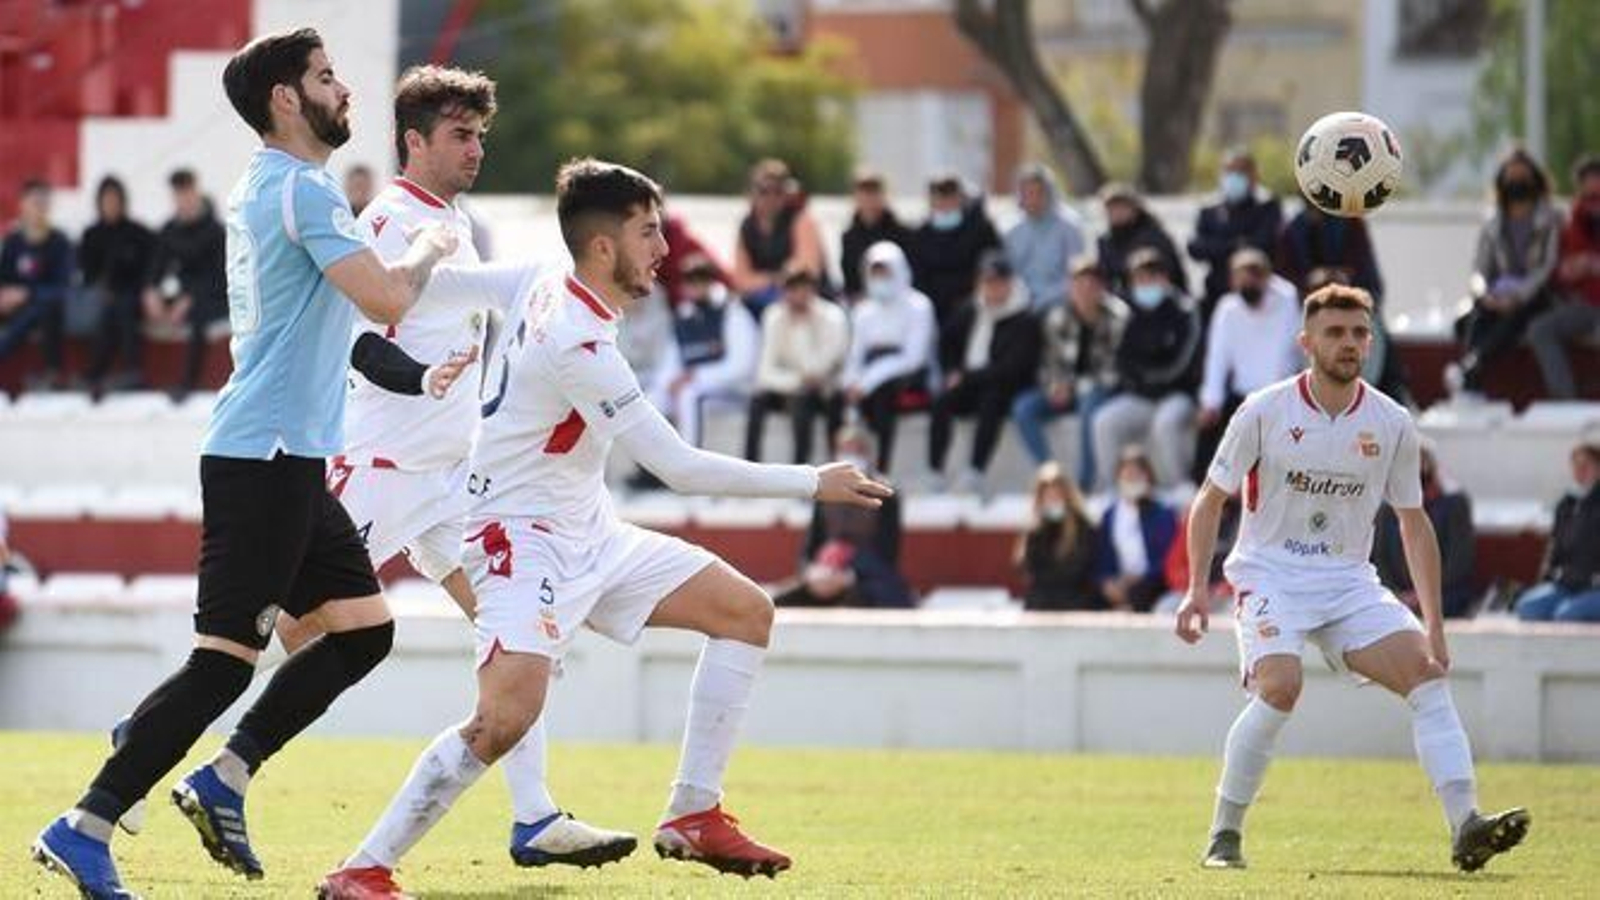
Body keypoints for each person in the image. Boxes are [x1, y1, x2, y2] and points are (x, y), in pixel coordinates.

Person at [317, 158, 891, 896]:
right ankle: (362, 868)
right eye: (648, 232)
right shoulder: (577, 344)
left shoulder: (541, 276)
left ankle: (693, 812)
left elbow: (436, 288)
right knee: (500, 723)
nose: (664, 250)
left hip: (589, 530)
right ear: (601, 246)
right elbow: (678, 467)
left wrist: (407, 268)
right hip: (519, 541)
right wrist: (813, 481)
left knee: (745, 611)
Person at [31, 29, 461, 898]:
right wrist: (428, 247)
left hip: (286, 457)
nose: (345, 90)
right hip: (264, 457)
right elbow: (384, 297)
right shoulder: (303, 189)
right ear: (285, 99)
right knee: (225, 661)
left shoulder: (269, 185)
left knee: (364, 630)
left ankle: (221, 775)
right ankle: (87, 822)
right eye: (327, 78)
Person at [293, 66, 633, 892]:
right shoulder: (386, 221)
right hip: (380, 466)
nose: (476, 149)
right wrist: (422, 382)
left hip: (451, 480)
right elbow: (355, 341)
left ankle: (535, 816)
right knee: (289, 634)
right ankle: (160, 748)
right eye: (460, 135)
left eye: (480, 134)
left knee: (516, 636)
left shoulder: (454, 225)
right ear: (414, 141)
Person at [1175, 284, 1528, 873]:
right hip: (1271, 576)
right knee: (1281, 687)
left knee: (1427, 676)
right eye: (1335, 332)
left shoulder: (1392, 421)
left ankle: (1466, 824)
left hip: (1347, 582)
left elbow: (1414, 522)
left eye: (1360, 333)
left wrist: (1435, 627)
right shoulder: (1263, 410)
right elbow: (1210, 500)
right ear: (1306, 341)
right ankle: (1224, 835)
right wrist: (1194, 591)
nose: (1349, 343)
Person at [1448, 147, 1562, 399]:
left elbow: (1546, 267)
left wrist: (1517, 297)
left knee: (1517, 316)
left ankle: (1473, 366)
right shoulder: (1492, 222)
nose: (1517, 184)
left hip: (1535, 296)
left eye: (1522, 177)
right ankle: (1470, 376)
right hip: (1497, 295)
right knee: (1476, 316)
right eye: (1512, 178)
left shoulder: (1551, 219)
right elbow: (1479, 270)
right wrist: (1484, 295)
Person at [926, 251, 1040, 496]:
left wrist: (965, 377)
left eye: (997, 282)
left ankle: (976, 471)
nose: (992, 288)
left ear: (1009, 283)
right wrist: (952, 371)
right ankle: (935, 470)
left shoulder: (1025, 319)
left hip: (1004, 388)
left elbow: (1012, 368)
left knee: (992, 399)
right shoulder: (968, 309)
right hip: (969, 382)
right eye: (986, 282)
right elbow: (947, 343)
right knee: (941, 401)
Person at [1011, 256, 1128, 489]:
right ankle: (1053, 477)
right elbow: (1048, 363)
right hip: (1064, 390)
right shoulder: (1057, 317)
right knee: (1023, 408)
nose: (1084, 292)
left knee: (1089, 404)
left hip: (1101, 391)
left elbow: (1113, 369)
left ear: (1101, 287)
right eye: (1078, 285)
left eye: (1090, 286)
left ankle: (1085, 483)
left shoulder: (1118, 317)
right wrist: (1055, 386)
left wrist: (1073, 387)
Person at [1092, 248, 1202, 489]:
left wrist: (1147, 377)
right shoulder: (1126, 312)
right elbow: (1121, 360)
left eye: (1149, 278)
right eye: (1138, 280)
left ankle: (1180, 488)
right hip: (1141, 396)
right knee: (1104, 421)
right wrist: (1141, 380)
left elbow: (1182, 365)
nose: (1143, 286)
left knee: (1165, 424)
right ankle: (1112, 491)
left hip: (1178, 395)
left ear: (1164, 278)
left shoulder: (1185, 311)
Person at [1193, 248, 1301, 482]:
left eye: (1254, 276)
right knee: (1210, 445)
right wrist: (1211, 402)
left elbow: (1285, 355)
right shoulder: (1227, 309)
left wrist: (1271, 403)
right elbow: (1218, 357)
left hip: (1280, 398)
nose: (1248, 284)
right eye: (1241, 278)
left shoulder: (1286, 300)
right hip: (1241, 397)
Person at [775, 426, 912, 609]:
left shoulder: (886, 493)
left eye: (856, 450)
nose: (850, 456)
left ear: (868, 454)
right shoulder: (824, 492)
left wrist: (849, 575)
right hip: (824, 573)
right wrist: (813, 572)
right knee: (777, 601)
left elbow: (888, 551)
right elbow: (810, 546)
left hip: (866, 576)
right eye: (845, 450)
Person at [842, 241, 937, 475]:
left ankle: (882, 471)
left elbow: (913, 358)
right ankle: (842, 468)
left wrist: (867, 383)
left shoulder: (919, 306)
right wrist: (850, 382)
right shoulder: (863, 310)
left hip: (909, 375)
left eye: (885, 273)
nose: (880, 279)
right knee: (837, 400)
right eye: (875, 273)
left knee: (883, 396)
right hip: (870, 373)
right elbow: (855, 354)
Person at [650, 253, 760, 448]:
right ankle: (649, 463)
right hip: (695, 385)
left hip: (731, 390)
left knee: (689, 395)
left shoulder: (732, 312)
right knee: (653, 398)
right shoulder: (684, 316)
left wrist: (696, 377)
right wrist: (668, 382)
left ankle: (689, 459)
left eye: (702, 279)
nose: (696, 286)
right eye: (690, 280)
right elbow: (671, 361)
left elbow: (742, 366)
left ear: (712, 281)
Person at [744, 264, 850, 464]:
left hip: (826, 391)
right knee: (758, 400)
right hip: (791, 386)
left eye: (804, 288)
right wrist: (797, 381)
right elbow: (764, 372)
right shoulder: (774, 316)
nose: (798, 295)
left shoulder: (832, 316)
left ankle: (804, 467)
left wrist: (801, 326)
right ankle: (750, 465)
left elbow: (821, 367)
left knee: (807, 401)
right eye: (792, 289)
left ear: (813, 289)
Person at [144, 169, 228, 397]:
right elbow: (157, 268)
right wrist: (151, 292)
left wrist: (189, 299)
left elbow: (220, 278)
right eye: (178, 194)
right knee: (129, 304)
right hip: (184, 296)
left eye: (187, 193)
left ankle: (188, 382)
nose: (183, 199)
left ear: (196, 192)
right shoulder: (170, 230)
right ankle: (137, 375)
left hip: (216, 298)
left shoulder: (216, 231)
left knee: (197, 315)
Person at [1527, 155, 1600, 399]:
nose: (1594, 204)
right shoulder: (1572, 222)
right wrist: (1570, 270)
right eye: (1589, 197)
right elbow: (1559, 273)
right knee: (1540, 329)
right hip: (1585, 305)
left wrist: (1592, 264)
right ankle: (1566, 402)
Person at [1374, 443, 1475, 619]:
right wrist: (1398, 594)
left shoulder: (1454, 504)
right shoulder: (1387, 510)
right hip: (1398, 595)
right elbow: (1380, 559)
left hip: (1444, 593)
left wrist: (1423, 594)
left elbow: (1459, 561)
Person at [80, 175, 156, 393]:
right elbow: (86, 274)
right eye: (107, 200)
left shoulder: (138, 233)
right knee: (109, 310)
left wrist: (146, 289)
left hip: (133, 296)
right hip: (101, 297)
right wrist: (100, 290)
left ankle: (129, 371)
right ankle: (97, 374)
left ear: (123, 202)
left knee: (123, 306)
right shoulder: (91, 235)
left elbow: (151, 268)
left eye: (115, 200)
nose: (111, 205)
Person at [1187, 149, 1282, 319]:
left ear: (1254, 175)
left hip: (1258, 294)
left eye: (1241, 171)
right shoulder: (1209, 208)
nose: (1234, 177)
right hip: (1216, 293)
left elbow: (1263, 244)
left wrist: (1218, 245)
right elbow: (1195, 248)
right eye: (1229, 171)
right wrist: (1236, 244)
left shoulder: (1267, 205)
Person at [0, 179, 73, 388]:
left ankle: (52, 373)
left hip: (46, 308)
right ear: (22, 205)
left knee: (44, 307)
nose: (40, 208)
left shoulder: (60, 242)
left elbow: (64, 287)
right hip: (13, 309)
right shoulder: (12, 241)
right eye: (35, 202)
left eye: (44, 202)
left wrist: (27, 293)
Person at [1515, 442, 1600, 623]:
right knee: (1527, 607)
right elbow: (1554, 547)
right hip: (1568, 584)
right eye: (1575, 466)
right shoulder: (1568, 504)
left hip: (1595, 586)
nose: (1579, 472)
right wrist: (1546, 577)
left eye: (1586, 466)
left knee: (1567, 614)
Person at [730, 159, 825, 313]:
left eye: (778, 191)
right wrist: (774, 278)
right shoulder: (746, 226)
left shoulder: (801, 220)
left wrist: (765, 280)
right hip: (761, 301)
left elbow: (807, 272)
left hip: (805, 302)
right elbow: (741, 279)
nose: (771, 197)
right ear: (750, 193)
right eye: (764, 191)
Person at [1094, 447, 1178, 613]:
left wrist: (1139, 578)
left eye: (1136, 475)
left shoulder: (1163, 513)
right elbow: (1102, 557)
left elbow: (1168, 557)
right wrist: (1107, 583)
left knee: (1140, 594)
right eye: (1127, 476)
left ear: (1148, 477)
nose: (1131, 480)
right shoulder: (1109, 515)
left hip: (1152, 582)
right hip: (1119, 582)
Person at [911, 172, 1001, 325]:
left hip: (974, 307)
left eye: (950, 198)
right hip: (932, 309)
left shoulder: (981, 230)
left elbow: (991, 264)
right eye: (940, 198)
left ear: (960, 198)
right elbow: (917, 275)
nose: (945, 204)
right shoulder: (920, 234)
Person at [1015, 462, 1100, 610]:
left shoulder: (1083, 527)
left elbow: (1079, 569)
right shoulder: (1035, 528)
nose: (1053, 500)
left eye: (1057, 495)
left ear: (1067, 496)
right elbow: (1027, 569)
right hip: (1040, 604)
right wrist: (1035, 533)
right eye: (1048, 496)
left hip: (1075, 602)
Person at [1004, 163, 1086, 314]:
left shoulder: (1069, 226)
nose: (1032, 199)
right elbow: (1009, 271)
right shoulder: (1011, 229)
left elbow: (1077, 273)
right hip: (1020, 303)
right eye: (1027, 193)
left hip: (1059, 302)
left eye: (1038, 193)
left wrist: (1045, 297)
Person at [1275, 196, 1383, 300]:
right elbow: (1283, 279)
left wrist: (1336, 277)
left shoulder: (1352, 224)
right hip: (1308, 303)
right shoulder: (1292, 230)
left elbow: (1368, 280)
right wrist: (1308, 281)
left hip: (1349, 300)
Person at [1096, 183, 1187, 300]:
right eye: (1111, 209)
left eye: (1120, 207)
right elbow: (1106, 277)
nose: (1116, 213)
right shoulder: (1105, 241)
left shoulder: (1154, 236)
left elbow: (1170, 274)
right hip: (1125, 301)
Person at [839, 170, 910, 301]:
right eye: (864, 192)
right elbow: (850, 279)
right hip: (862, 304)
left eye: (874, 192)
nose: (869, 199)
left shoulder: (902, 233)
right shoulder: (849, 237)